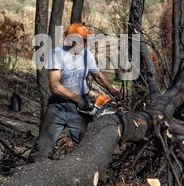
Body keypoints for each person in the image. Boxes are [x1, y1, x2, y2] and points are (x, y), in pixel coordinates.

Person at [32, 23, 120, 161]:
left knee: (85, 148)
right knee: (42, 148)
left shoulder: (87, 55)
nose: (80, 43)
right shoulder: (57, 54)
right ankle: (31, 173)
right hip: (58, 106)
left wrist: (113, 90)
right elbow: (55, 86)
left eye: (83, 40)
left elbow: (97, 75)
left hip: (80, 110)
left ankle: (85, 176)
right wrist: (77, 98)